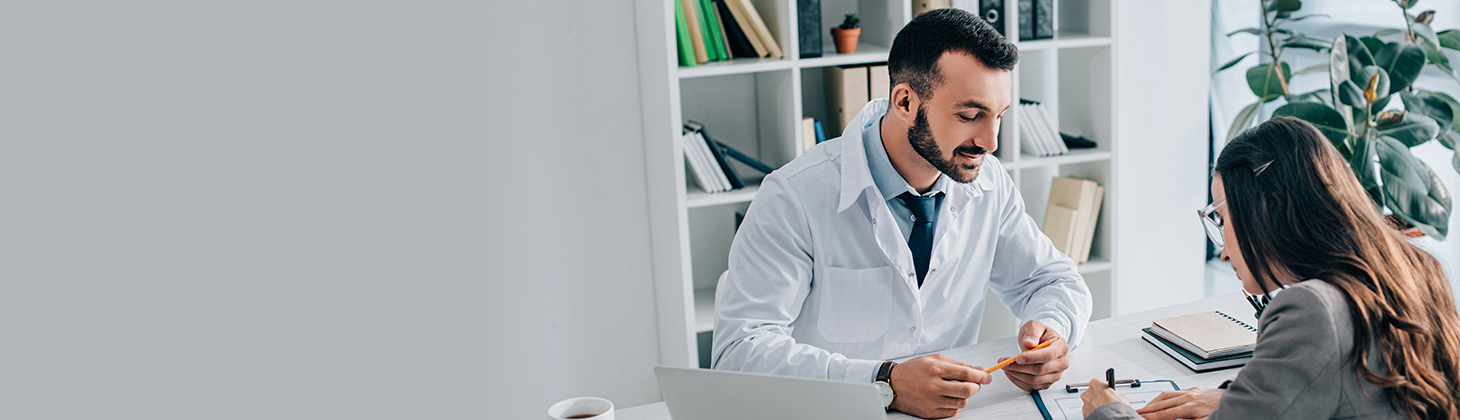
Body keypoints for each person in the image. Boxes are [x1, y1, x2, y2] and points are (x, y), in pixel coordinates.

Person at [710, 8, 1092, 419]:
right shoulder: (794, 196)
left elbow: (1053, 280)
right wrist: (884, 382)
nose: (991, 141)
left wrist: (1053, 330)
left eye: (999, 116)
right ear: (906, 101)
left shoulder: (988, 183)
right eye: (969, 116)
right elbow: (739, 354)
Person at [1080, 116, 1460, 420]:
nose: (1224, 249)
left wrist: (1108, 413)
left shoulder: (1313, 309)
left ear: (1267, 211)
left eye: (1223, 218)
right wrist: (1234, 400)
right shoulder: (1417, 268)